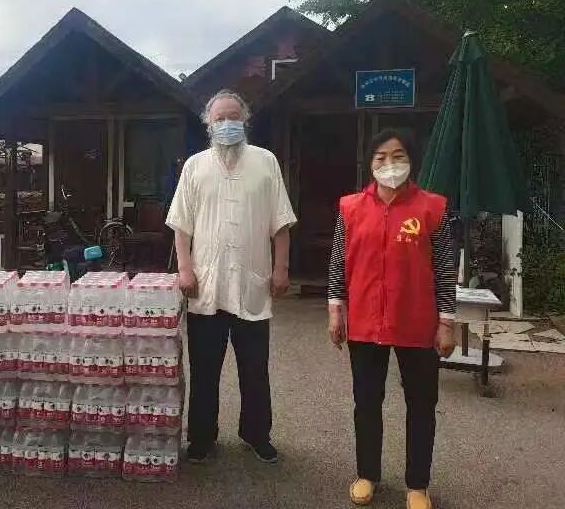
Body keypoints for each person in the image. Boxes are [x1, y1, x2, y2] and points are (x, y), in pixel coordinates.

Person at [327, 129, 456, 509]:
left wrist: (446, 322)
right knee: (367, 402)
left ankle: (417, 484)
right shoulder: (350, 207)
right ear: (370, 164)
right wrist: (335, 310)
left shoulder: (432, 208)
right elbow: (338, 264)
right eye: (381, 157)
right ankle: (367, 474)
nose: (390, 164)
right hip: (365, 323)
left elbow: (445, 269)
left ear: (411, 161)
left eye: (398, 156)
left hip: (417, 323)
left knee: (421, 405)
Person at [166, 90, 296, 464]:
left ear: (245, 120)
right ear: (208, 124)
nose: (227, 124)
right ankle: (202, 437)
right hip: (206, 286)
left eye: (233, 117)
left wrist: (281, 268)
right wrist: (184, 268)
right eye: (220, 118)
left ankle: (256, 434)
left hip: (252, 285)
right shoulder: (195, 166)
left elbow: (281, 224)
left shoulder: (265, 162)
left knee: (254, 369)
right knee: (204, 370)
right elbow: (181, 227)